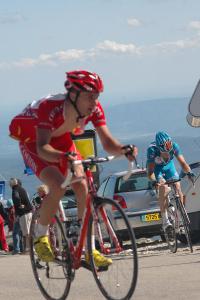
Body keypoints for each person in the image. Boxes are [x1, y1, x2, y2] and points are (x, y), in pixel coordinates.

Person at [9, 69, 137, 265]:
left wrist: (123, 149)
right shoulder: (50, 107)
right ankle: (40, 236)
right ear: (74, 94)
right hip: (34, 142)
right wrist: (63, 157)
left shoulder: (94, 109)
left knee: (82, 185)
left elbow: (107, 142)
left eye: (97, 97)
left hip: (62, 141)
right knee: (58, 185)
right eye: (90, 97)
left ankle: (87, 247)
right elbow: (43, 148)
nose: (94, 102)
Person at [146, 131, 195, 234]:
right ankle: (165, 221)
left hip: (169, 167)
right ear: (159, 149)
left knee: (178, 187)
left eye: (169, 152)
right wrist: (154, 181)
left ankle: (179, 215)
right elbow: (150, 172)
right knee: (163, 188)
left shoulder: (174, 146)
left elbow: (183, 163)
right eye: (165, 152)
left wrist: (189, 172)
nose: (168, 154)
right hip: (157, 169)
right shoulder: (152, 150)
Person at [9, 178, 32, 254]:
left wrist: (18, 205)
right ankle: (27, 249)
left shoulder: (15, 190)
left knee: (26, 232)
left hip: (23, 213)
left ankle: (28, 249)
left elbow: (16, 197)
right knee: (26, 232)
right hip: (28, 211)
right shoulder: (22, 189)